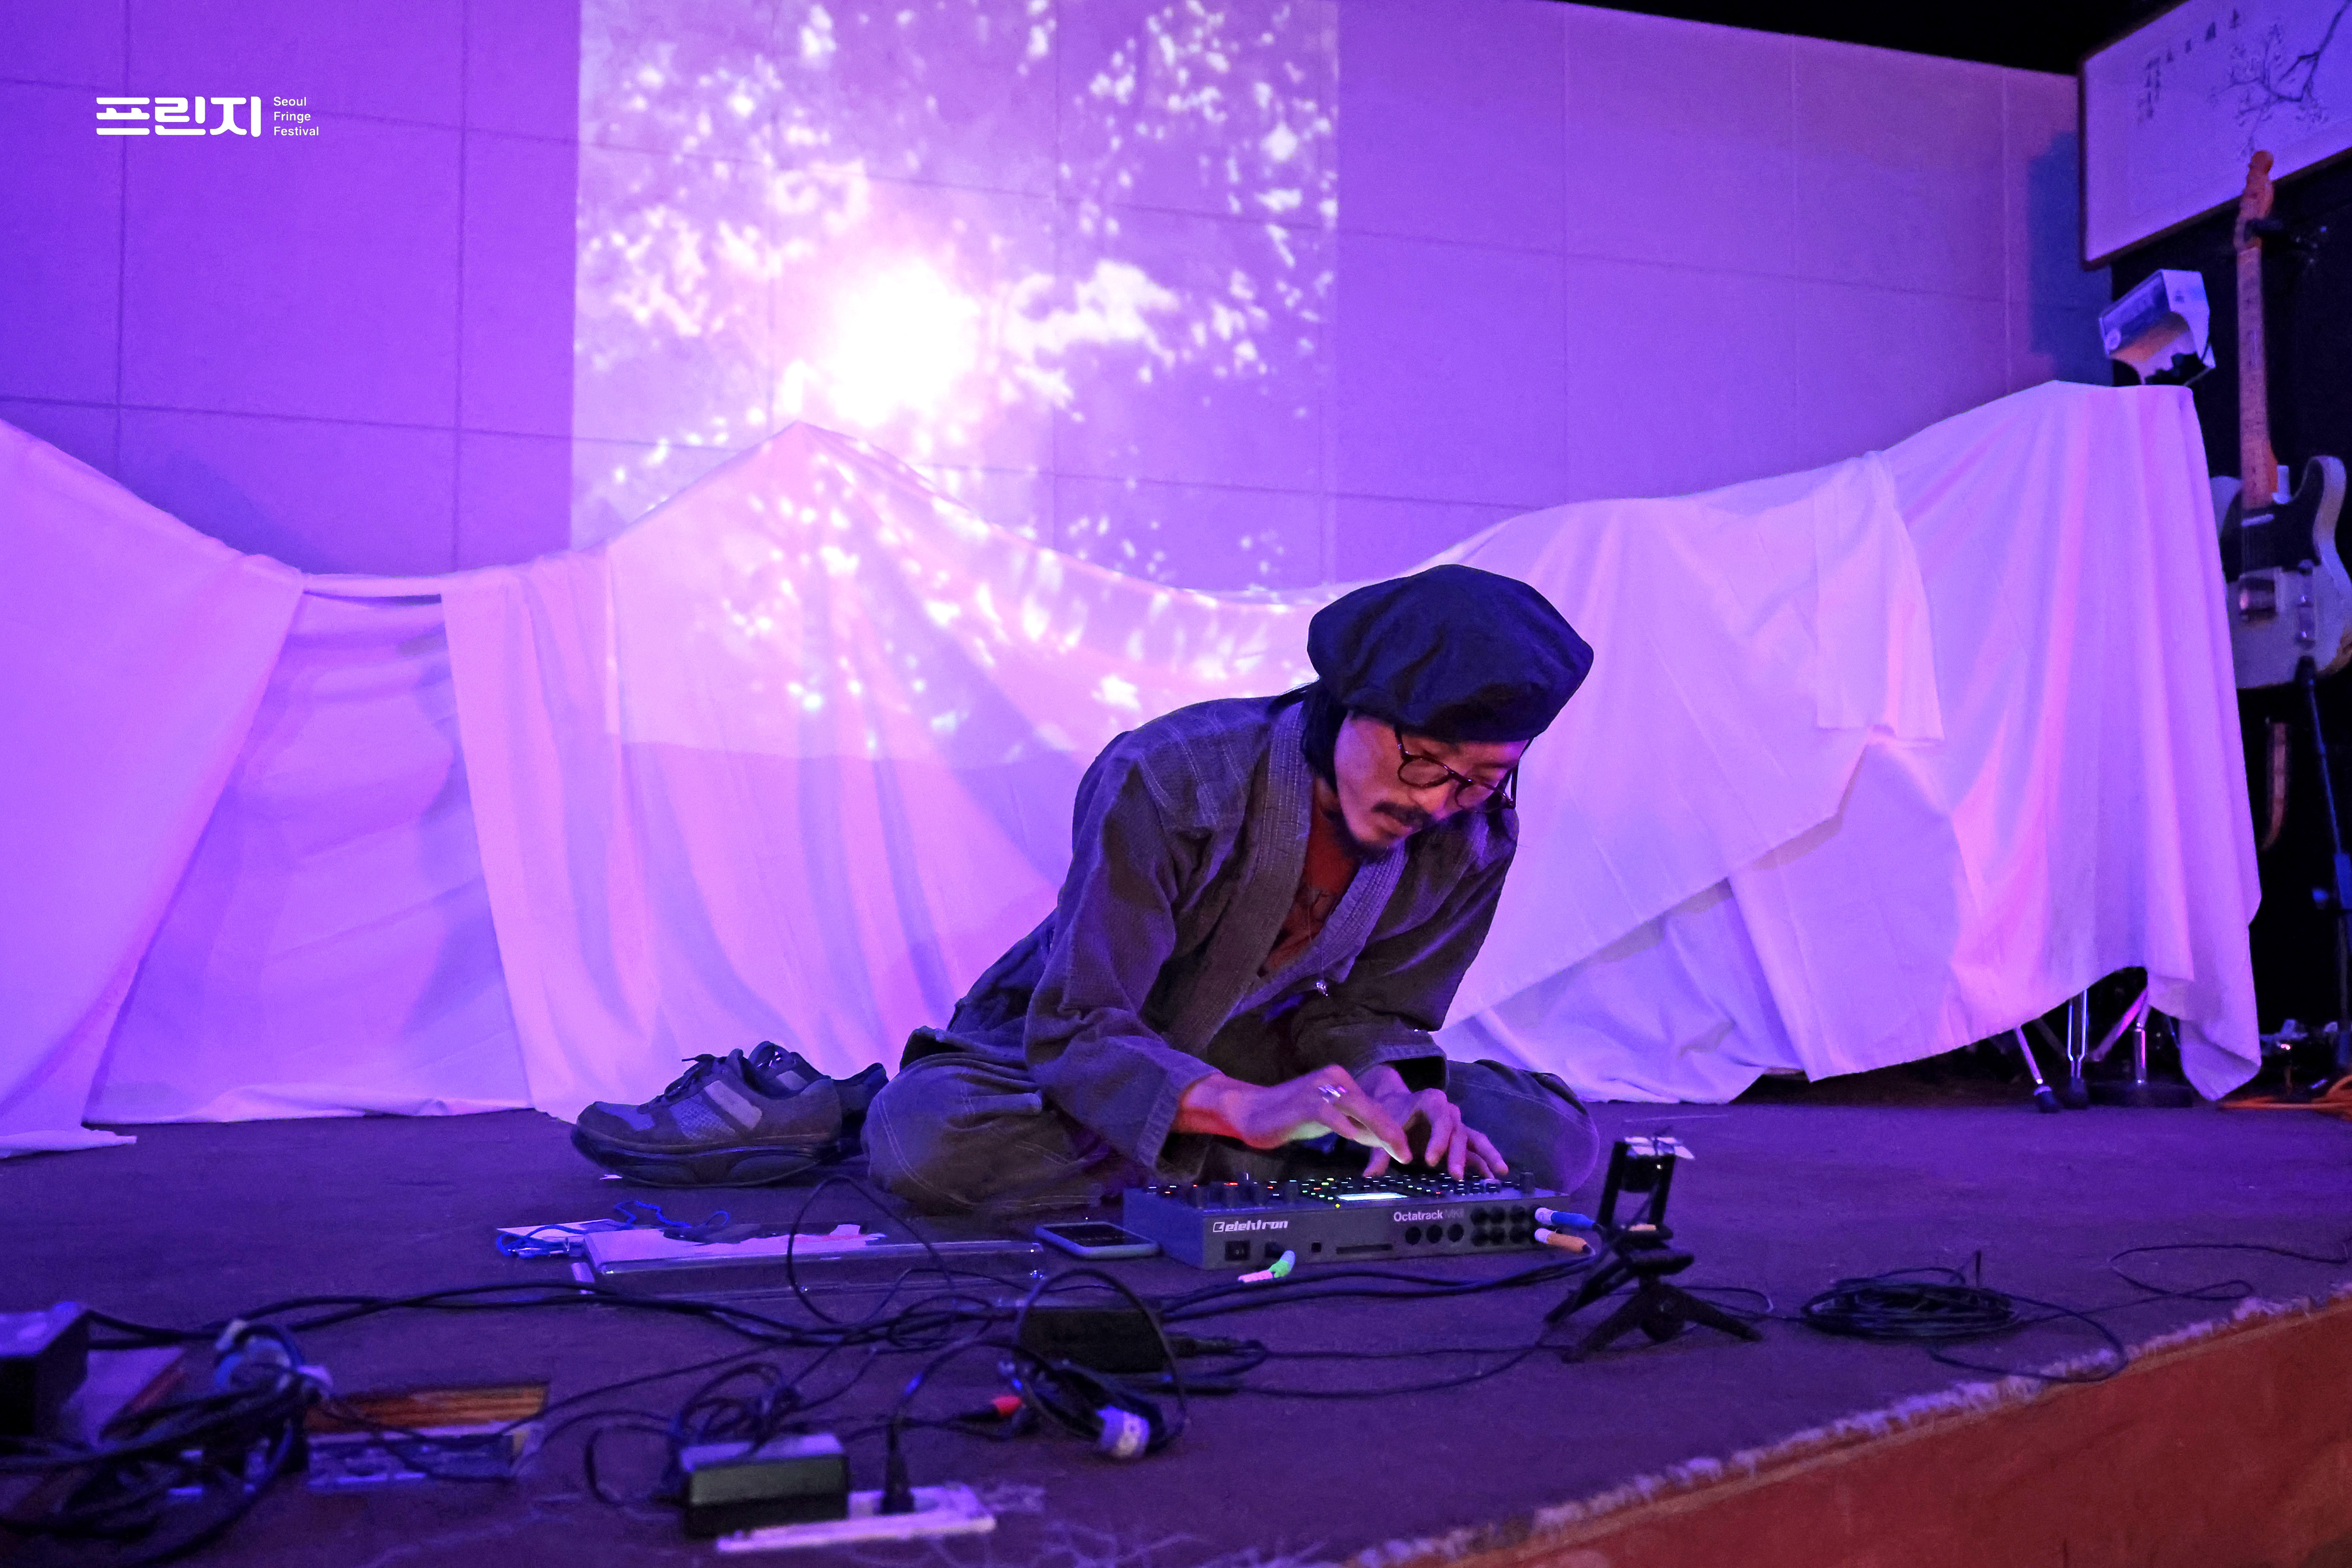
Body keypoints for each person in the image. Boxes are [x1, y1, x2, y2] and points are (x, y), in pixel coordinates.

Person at [860, 564, 1601, 1213]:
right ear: (1350, 700)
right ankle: (1274, 1159)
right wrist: (1242, 1110)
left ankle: (1269, 1155)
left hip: (1272, 1054)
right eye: (1426, 761)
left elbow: (1372, 1010)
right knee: (926, 1137)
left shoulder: (1473, 835)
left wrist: (1391, 1089)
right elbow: (1080, 1023)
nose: (1437, 802)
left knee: (1552, 1136)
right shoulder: (1168, 776)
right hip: (1087, 1056)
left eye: (1481, 778)